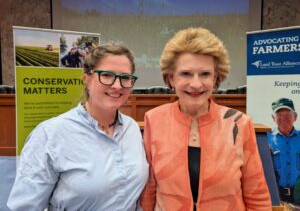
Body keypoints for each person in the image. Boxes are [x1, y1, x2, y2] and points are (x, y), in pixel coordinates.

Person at [140, 27, 271, 211]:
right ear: (171, 78)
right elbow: (149, 191)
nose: (195, 84)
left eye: (205, 74)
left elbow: (257, 197)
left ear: (216, 78)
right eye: (186, 73)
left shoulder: (239, 123)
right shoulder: (154, 119)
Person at [7, 44, 149, 210]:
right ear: (86, 79)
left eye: (125, 78)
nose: (117, 86)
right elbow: (24, 207)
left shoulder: (131, 128)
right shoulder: (50, 135)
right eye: (107, 75)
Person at [267, 97, 300, 204]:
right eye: (279, 115)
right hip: (276, 197)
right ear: (273, 118)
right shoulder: (267, 139)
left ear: (295, 116)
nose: (283, 118)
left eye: (288, 114)